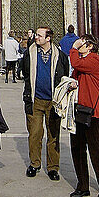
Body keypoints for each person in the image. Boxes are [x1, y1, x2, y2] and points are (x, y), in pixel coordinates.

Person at [22, 27, 70, 181]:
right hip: (34, 99)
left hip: (53, 101)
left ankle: (53, 167)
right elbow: (25, 72)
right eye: (36, 34)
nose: (36, 37)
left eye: (39, 35)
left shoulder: (60, 56)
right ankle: (34, 164)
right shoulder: (29, 54)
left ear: (48, 38)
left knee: (53, 135)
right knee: (35, 133)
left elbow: (64, 74)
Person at [68, 33, 99, 197]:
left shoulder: (94, 60)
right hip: (80, 110)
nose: (80, 43)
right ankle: (83, 186)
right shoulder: (82, 63)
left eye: (83, 42)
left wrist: (73, 48)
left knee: (95, 150)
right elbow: (77, 72)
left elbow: (76, 63)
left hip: (94, 113)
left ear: (90, 46)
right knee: (77, 149)